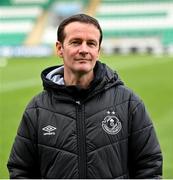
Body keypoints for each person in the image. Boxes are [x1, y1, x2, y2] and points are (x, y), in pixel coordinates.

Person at [7, 13, 162, 179]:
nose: (84, 50)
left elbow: (149, 167)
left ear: (98, 51)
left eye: (91, 43)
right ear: (60, 49)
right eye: (76, 42)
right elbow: (21, 170)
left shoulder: (128, 102)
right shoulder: (37, 108)